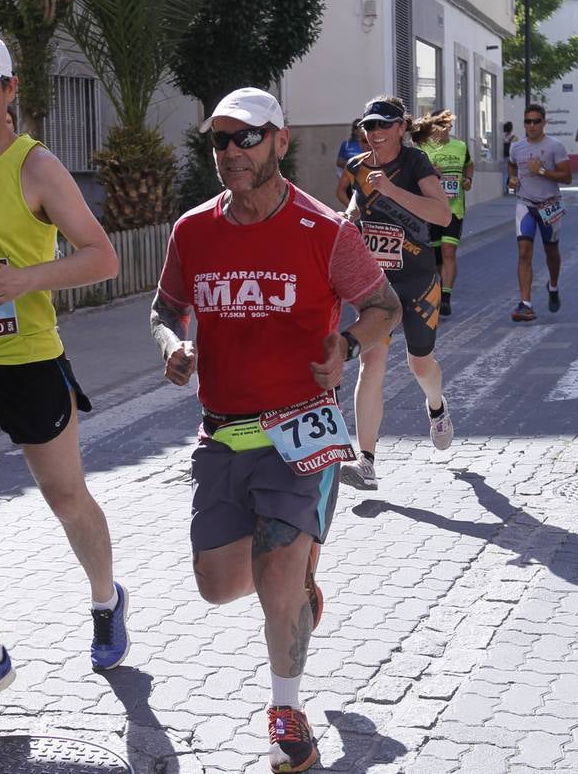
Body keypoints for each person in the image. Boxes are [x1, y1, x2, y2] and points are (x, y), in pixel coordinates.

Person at [151, 87, 402, 772]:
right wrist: (171, 345)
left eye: (247, 137)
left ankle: (287, 714)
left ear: (279, 142)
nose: (231, 151)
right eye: (219, 141)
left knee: (277, 579)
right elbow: (165, 308)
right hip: (222, 433)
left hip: (300, 434)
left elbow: (383, 307)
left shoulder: (323, 230)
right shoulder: (192, 231)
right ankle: (296, 588)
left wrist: (346, 345)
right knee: (216, 582)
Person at [0, 34, 130, 720]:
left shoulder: (35, 166)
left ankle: (105, 597)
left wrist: (25, 280)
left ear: (10, 92)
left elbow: (102, 259)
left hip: (31, 362)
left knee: (66, 499)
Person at [339, 96, 456, 491]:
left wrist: (390, 189)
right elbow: (358, 203)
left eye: (384, 126)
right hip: (377, 286)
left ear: (401, 129)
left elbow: (442, 215)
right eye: (369, 127)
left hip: (419, 281)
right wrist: (349, 218)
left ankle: (437, 407)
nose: (375, 134)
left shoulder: (415, 164)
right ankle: (366, 461)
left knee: (420, 365)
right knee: (370, 365)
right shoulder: (357, 167)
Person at [506, 103, 571, 321]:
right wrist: (512, 179)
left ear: (544, 122)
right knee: (524, 253)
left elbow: (567, 177)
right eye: (528, 121)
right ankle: (526, 304)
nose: (531, 125)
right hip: (525, 203)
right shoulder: (516, 147)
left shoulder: (555, 146)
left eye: (536, 121)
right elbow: (512, 166)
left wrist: (541, 170)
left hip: (549, 205)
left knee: (551, 252)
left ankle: (553, 286)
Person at [413, 110, 473, 316]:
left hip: (454, 209)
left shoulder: (460, 146)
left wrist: (468, 180)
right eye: (441, 125)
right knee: (437, 257)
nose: (446, 129)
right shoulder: (423, 149)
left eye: (449, 125)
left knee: (449, 252)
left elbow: (469, 166)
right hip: (431, 211)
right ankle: (441, 287)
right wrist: (431, 172)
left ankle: (445, 298)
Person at [333, 119, 365, 208]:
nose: (358, 130)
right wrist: (353, 164)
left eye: (361, 127)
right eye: (356, 127)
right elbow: (339, 162)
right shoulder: (347, 144)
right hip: (349, 177)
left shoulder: (369, 143)